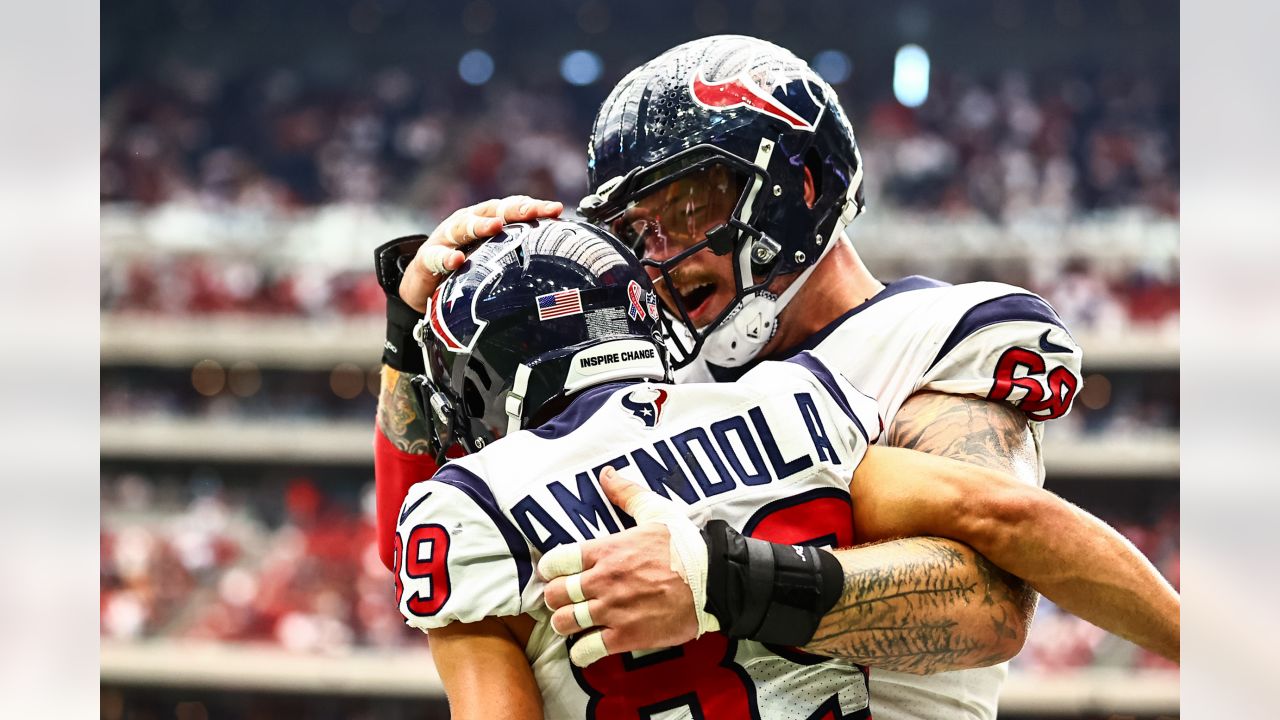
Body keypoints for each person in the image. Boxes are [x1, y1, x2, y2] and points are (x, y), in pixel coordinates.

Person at [374, 35, 1175, 719]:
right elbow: (428, 558)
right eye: (634, 231)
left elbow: (984, 606)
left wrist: (720, 576)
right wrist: (409, 345)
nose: (655, 256)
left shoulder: (938, 335)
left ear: (799, 186)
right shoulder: (672, 372)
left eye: (685, 211)